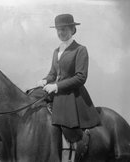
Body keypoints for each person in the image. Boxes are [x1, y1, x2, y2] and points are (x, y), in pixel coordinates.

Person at [35, 14, 101, 159]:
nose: (60, 33)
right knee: (31, 98)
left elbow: (80, 77)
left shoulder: (80, 49)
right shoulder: (56, 51)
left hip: (72, 94)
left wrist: (57, 86)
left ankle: (78, 148)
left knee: (66, 124)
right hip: (56, 90)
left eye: (64, 29)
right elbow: (53, 74)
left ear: (72, 29)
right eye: (58, 30)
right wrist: (45, 80)